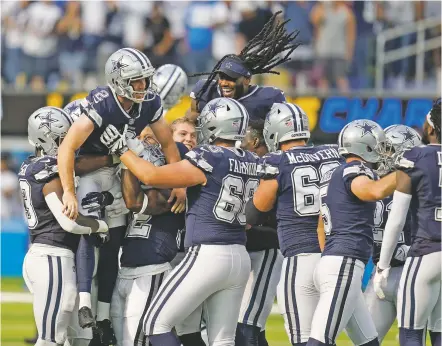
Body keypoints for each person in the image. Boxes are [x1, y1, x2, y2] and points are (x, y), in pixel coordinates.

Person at [98, 97, 256, 346]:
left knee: (154, 324)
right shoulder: (251, 161)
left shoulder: (208, 156)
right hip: (239, 256)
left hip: (208, 253)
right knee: (222, 339)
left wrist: (121, 151)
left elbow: (151, 174)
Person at [57, 47, 185, 341]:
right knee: (89, 229)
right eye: (136, 81)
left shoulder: (150, 101)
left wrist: (178, 182)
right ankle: (85, 303)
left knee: (114, 238)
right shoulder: (102, 103)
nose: (143, 87)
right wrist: (68, 192)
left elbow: (167, 143)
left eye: (144, 79)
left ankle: (102, 317)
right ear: (118, 80)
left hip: (119, 167)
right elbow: (67, 148)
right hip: (89, 170)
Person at [246, 103, 342, 345]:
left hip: (301, 258)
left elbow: (254, 212)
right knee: (356, 336)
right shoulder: (334, 153)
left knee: (303, 338)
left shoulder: (278, 161)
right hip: (337, 256)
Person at [20, 106, 110, 346]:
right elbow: (69, 224)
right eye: (63, 138)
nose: (70, 144)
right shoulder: (47, 171)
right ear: (45, 138)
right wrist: (100, 226)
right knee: (51, 339)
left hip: (46, 255)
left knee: (65, 339)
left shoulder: (31, 165)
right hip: (53, 257)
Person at [307, 120, 397, 346]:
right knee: (320, 341)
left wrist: (331, 256)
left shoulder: (334, 173)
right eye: (379, 145)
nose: (382, 152)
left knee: (368, 343)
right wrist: (405, 174)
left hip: (335, 262)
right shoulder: (356, 169)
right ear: (365, 146)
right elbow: (370, 191)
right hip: (344, 264)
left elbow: (320, 225)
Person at [109, 128, 189, 346]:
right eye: (143, 139)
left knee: (137, 341)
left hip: (152, 270)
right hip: (125, 270)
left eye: (152, 140)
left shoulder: (171, 192)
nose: (145, 146)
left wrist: (127, 158)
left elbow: (135, 202)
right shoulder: (132, 183)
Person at [374, 100, 441, 346]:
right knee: (438, 332)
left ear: (432, 127)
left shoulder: (416, 157)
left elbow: (397, 218)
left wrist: (382, 266)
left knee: (411, 332)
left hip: (426, 251)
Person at [187, 11, 300, 122]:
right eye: (222, 77)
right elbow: (189, 120)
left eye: (231, 78)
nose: (224, 82)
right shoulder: (206, 90)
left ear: (247, 80)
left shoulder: (268, 98)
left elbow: (284, 125)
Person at [364, 125, 421, 342]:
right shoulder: (370, 183)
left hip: (412, 270)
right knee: (366, 339)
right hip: (381, 271)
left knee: (410, 339)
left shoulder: (420, 185)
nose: (381, 155)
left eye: (388, 150)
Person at [238, 119, 283, 346]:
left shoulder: (270, 167)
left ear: (255, 141)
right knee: (252, 327)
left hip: (265, 249)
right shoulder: (244, 163)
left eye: (242, 137)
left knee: (247, 325)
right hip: (245, 251)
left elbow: (261, 217)